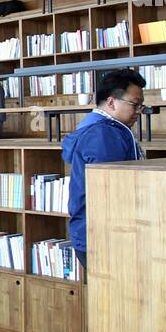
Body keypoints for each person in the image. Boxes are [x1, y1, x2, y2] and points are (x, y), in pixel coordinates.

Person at [61, 69, 147, 272]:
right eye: (135, 104)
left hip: (91, 234)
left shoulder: (94, 127)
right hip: (104, 237)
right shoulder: (104, 134)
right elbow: (113, 192)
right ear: (111, 102)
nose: (138, 111)